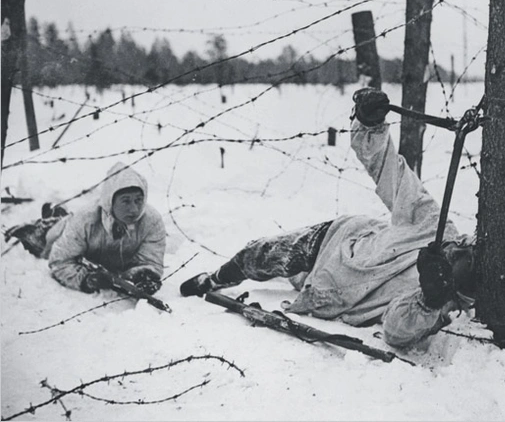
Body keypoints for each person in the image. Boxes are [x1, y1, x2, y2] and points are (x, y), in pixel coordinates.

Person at [180, 88, 476, 348]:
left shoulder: (439, 305)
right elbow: (390, 173)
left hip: (324, 290)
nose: (454, 250)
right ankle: (215, 279)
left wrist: (429, 299)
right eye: (463, 247)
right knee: (258, 255)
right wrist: (369, 124)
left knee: (291, 274)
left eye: (460, 259)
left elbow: (396, 330)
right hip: (336, 239)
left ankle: (272, 275)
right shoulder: (434, 224)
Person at [5, 162, 166, 295]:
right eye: (126, 201)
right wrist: (86, 279)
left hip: (90, 245)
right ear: (110, 201)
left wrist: (144, 275)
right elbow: (59, 262)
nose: (134, 209)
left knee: (65, 222)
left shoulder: (151, 221)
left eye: (139, 200)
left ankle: (57, 213)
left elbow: (151, 261)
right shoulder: (86, 220)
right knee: (44, 240)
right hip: (67, 232)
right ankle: (49, 220)